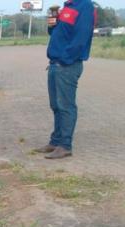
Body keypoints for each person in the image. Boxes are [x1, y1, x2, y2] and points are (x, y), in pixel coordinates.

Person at [35, 1, 96, 159]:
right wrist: (52, 23)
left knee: (66, 106)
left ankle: (65, 146)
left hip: (67, 65)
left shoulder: (85, 7)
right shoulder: (67, 7)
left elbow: (81, 38)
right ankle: (55, 142)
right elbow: (55, 33)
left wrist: (64, 59)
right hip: (55, 64)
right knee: (56, 105)